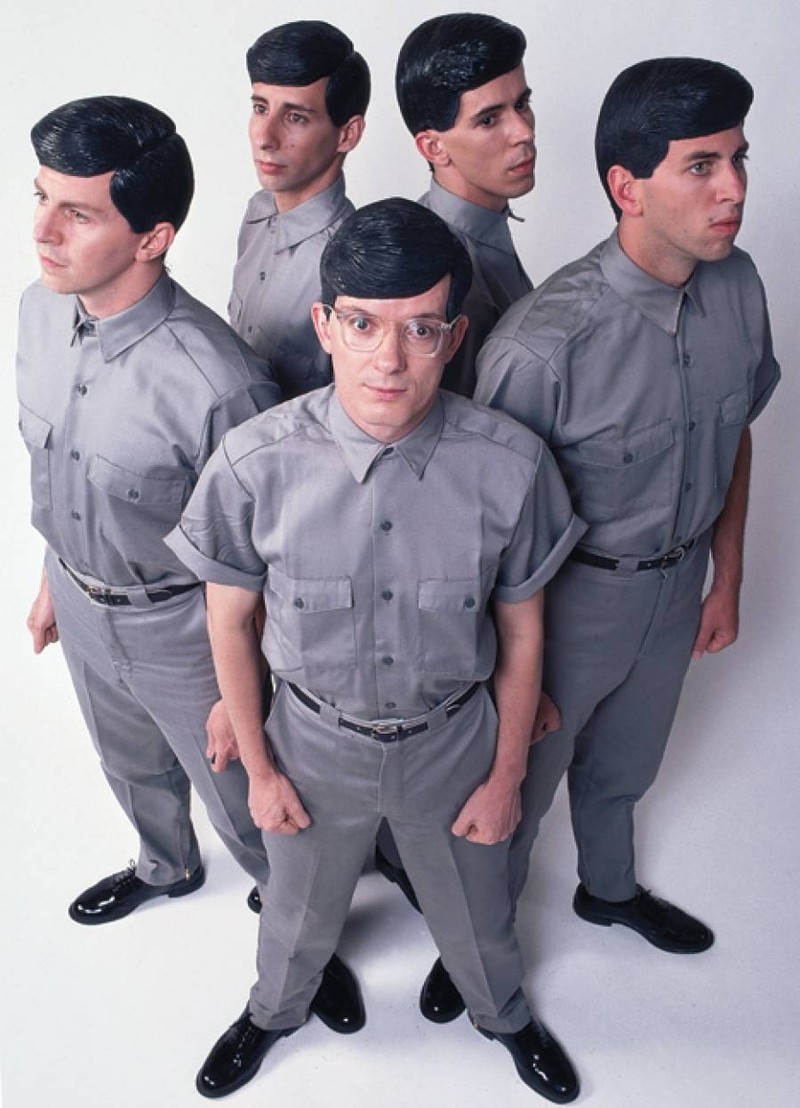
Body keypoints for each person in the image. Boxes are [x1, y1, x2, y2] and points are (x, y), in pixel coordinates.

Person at [167, 199, 586, 1102]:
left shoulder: (513, 466)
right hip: (312, 746)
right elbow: (228, 624)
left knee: (480, 907)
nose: (389, 360)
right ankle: (273, 1011)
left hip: (454, 743)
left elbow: (523, 632)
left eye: (420, 329)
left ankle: (504, 1014)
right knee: (295, 909)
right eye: (362, 325)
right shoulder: (252, 464)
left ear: (454, 336)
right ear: (325, 325)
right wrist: (263, 771)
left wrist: (506, 776)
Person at [16, 95, 360, 1033]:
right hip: (84, 603)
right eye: (41, 198)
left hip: (189, 631)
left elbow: (276, 555)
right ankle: (164, 865)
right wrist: (54, 578)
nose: (42, 231)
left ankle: (306, 938)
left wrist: (241, 690)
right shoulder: (36, 314)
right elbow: (58, 465)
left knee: (249, 804)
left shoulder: (219, 383)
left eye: (76, 213)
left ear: (153, 237)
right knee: (127, 763)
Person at [475, 58, 780, 953]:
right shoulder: (543, 347)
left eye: (738, 158)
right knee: (517, 786)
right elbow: (480, 539)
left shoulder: (739, 286)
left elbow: (735, 432)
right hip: (567, 610)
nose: (733, 189)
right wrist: (511, 668)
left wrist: (725, 579)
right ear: (626, 187)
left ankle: (607, 891)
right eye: (702, 166)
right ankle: (479, 946)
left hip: (676, 592)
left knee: (625, 770)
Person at [395, 12, 535, 397]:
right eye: (489, 120)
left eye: (522, 103)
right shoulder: (446, 276)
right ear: (433, 147)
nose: (524, 132)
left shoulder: (483, 226)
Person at [229, 20, 369, 399]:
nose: (265, 137)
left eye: (295, 117)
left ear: (347, 134)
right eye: (260, 108)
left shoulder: (353, 262)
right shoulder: (257, 212)